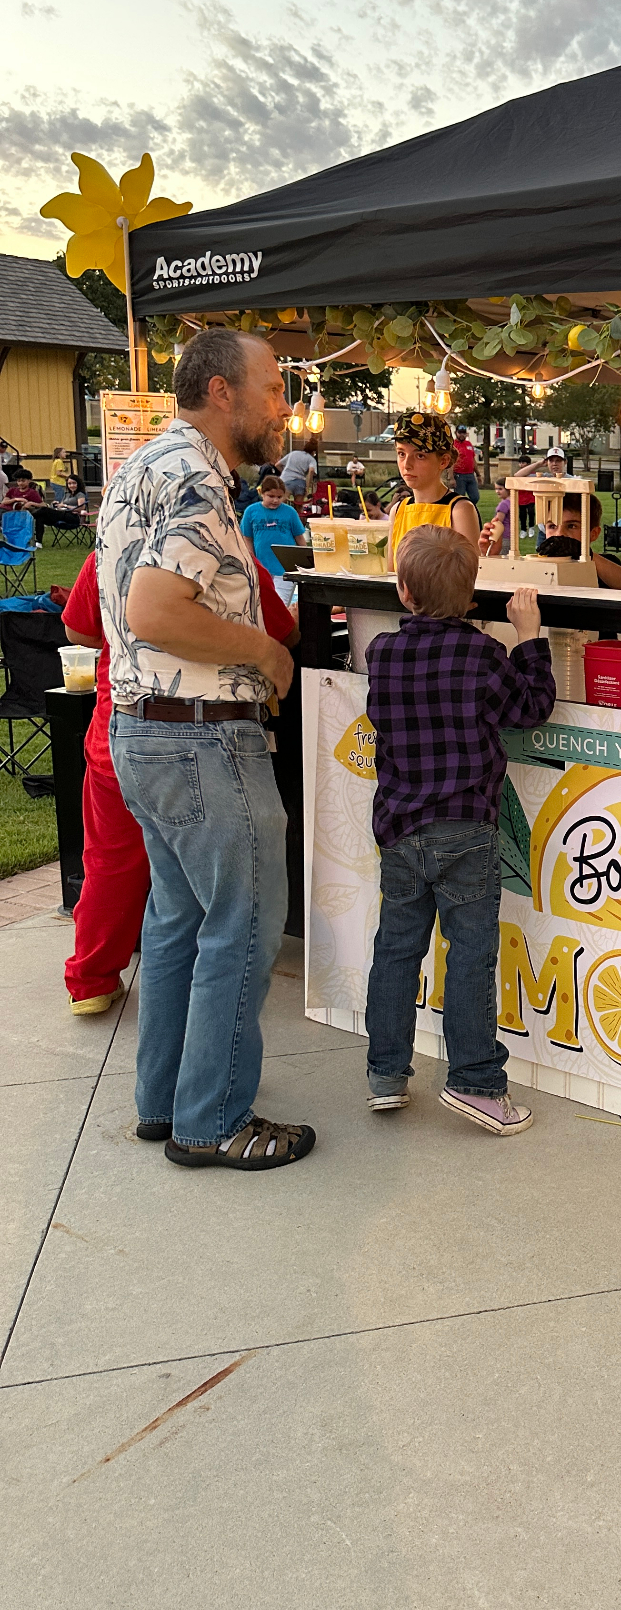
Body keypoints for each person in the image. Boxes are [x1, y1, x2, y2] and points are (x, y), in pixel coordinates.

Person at [99, 326, 314, 1171]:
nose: (283, 404)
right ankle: (214, 1120)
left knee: (179, 923)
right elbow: (156, 610)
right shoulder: (194, 477)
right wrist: (266, 653)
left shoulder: (148, 464)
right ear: (222, 390)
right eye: (270, 386)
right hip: (200, 739)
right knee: (242, 926)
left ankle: (169, 1103)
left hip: (143, 733)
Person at [363, 526, 555, 1128]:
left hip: (399, 828)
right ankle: (473, 1080)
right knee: (470, 956)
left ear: (403, 592)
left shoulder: (381, 655)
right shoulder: (482, 656)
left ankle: (386, 1073)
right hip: (468, 828)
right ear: (474, 596)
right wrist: (531, 639)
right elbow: (532, 707)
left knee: (396, 950)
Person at [61, 548, 298, 1016]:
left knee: (108, 862)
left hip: (115, 728)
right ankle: (204, 1005)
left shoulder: (108, 547)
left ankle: (90, 980)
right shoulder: (226, 548)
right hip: (199, 736)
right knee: (213, 890)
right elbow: (283, 631)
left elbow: (77, 630)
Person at [385, 410, 481, 568]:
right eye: (401, 453)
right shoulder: (398, 510)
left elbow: (469, 576)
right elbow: (390, 571)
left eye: (420, 455)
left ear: (443, 461)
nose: (407, 464)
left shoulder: (459, 510)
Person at [536, 493, 621, 591]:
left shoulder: (603, 565)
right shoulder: (539, 566)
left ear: (593, 534)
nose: (559, 534)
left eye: (571, 526)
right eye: (552, 526)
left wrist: (584, 553)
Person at [241, 475, 309, 603]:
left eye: (279, 497)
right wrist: (251, 558)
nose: (275, 500)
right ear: (262, 493)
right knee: (262, 603)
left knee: (280, 603)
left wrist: (305, 560)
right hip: (262, 566)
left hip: (285, 567)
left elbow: (299, 537)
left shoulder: (290, 512)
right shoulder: (251, 511)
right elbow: (247, 537)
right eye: (271, 496)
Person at [34, 474, 88, 541]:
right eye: (69, 484)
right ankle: (38, 542)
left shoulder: (80, 494)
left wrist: (65, 506)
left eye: (74, 483)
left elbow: (81, 507)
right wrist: (57, 505)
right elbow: (61, 506)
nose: (71, 485)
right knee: (41, 518)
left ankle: (31, 515)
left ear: (78, 484)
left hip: (74, 517)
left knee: (43, 509)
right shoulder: (67, 494)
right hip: (63, 515)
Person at [278, 434, 319, 500]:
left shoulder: (293, 453)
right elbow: (311, 471)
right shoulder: (311, 459)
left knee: (282, 503)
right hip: (300, 482)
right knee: (299, 505)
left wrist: (284, 472)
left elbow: (278, 464)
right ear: (313, 452)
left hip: (285, 479)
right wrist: (307, 488)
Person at [452, 428, 479, 505]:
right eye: (460, 433)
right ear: (456, 433)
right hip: (459, 475)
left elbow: (473, 459)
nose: (462, 435)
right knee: (459, 497)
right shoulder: (453, 444)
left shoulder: (468, 444)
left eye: (464, 433)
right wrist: (451, 478)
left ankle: (468, 508)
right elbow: (451, 462)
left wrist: (478, 474)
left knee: (475, 497)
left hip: (470, 474)